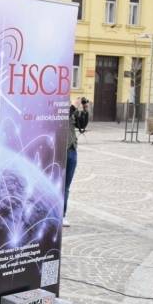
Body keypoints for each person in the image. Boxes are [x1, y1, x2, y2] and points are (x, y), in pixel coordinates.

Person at [64, 97, 87, 226]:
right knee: (58, 185)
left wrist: (85, 108)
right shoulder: (57, 106)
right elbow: (62, 118)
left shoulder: (71, 108)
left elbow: (82, 124)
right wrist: (72, 107)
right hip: (60, 150)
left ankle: (62, 215)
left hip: (72, 150)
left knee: (66, 186)